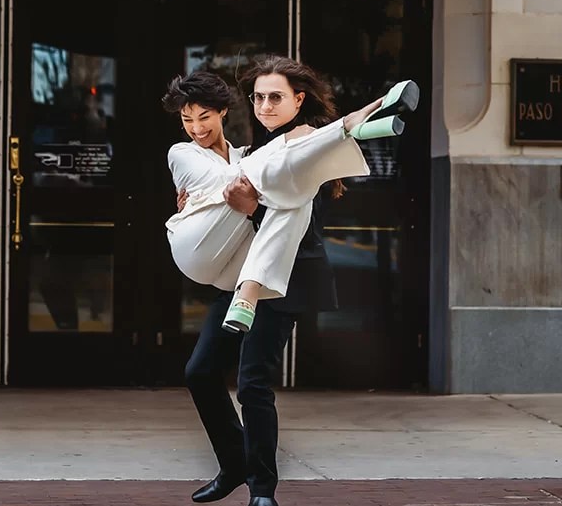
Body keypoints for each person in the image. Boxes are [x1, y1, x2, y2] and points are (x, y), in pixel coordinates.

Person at [172, 55, 418, 506]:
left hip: (285, 278)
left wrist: (250, 209)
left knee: (252, 383)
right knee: (200, 371)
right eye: (259, 97)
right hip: (241, 276)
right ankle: (234, 463)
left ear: (298, 100)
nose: (265, 105)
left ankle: (262, 492)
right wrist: (202, 204)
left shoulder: (306, 146)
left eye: (276, 97)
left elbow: (301, 225)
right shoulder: (256, 151)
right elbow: (221, 189)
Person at [163, 72, 414, 331]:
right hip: (195, 250)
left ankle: (248, 292)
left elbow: (261, 172)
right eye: (187, 120)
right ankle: (350, 126)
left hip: (234, 269)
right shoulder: (181, 153)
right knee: (268, 177)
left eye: (204, 117)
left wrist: (283, 155)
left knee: (297, 196)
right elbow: (229, 179)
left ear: (223, 111)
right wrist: (290, 138)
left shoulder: (244, 155)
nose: (197, 128)